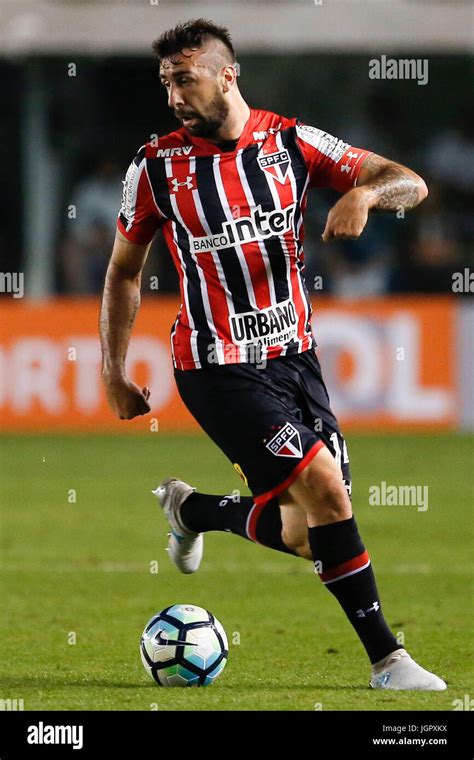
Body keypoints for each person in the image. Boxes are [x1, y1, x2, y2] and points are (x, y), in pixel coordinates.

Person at [99, 19, 446, 691]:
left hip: (295, 360)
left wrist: (366, 192)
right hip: (215, 366)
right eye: (165, 82)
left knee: (309, 533)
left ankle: (194, 510)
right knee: (326, 490)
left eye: (184, 78)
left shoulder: (291, 142)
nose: (173, 95)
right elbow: (120, 271)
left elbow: (410, 181)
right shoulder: (156, 168)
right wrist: (111, 371)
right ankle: (388, 662)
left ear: (227, 74)